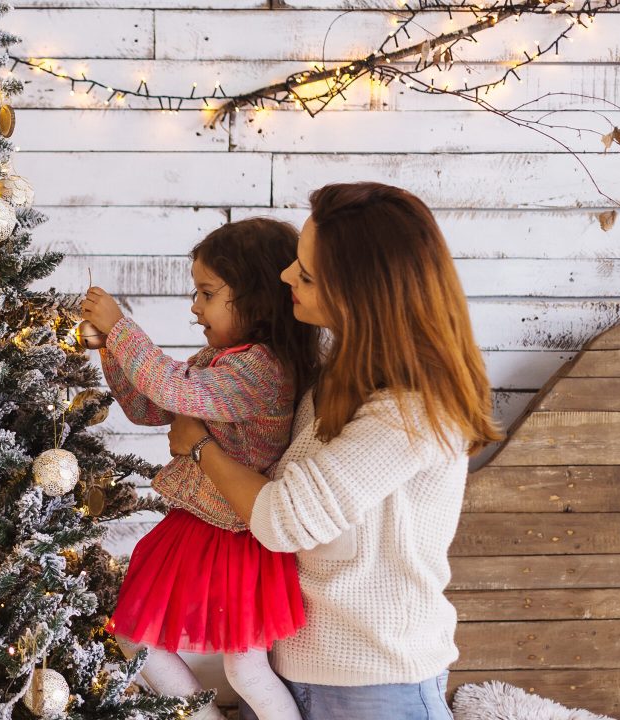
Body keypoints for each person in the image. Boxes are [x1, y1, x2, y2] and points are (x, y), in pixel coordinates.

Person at [167, 182, 503, 720]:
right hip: (285, 671)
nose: (285, 279)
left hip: (374, 686)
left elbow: (284, 518)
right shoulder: (329, 376)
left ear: (358, 293)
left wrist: (200, 445)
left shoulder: (414, 407)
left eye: (304, 274)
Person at [81, 218, 320, 720]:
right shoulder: (223, 359)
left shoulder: (260, 368)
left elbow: (173, 390)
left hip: (235, 531)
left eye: (207, 293)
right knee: (134, 634)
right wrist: (110, 350)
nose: (195, 306)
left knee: (246, 671)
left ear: (254, 297)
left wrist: (122, 327)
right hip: (200, 523)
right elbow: (150, 407)